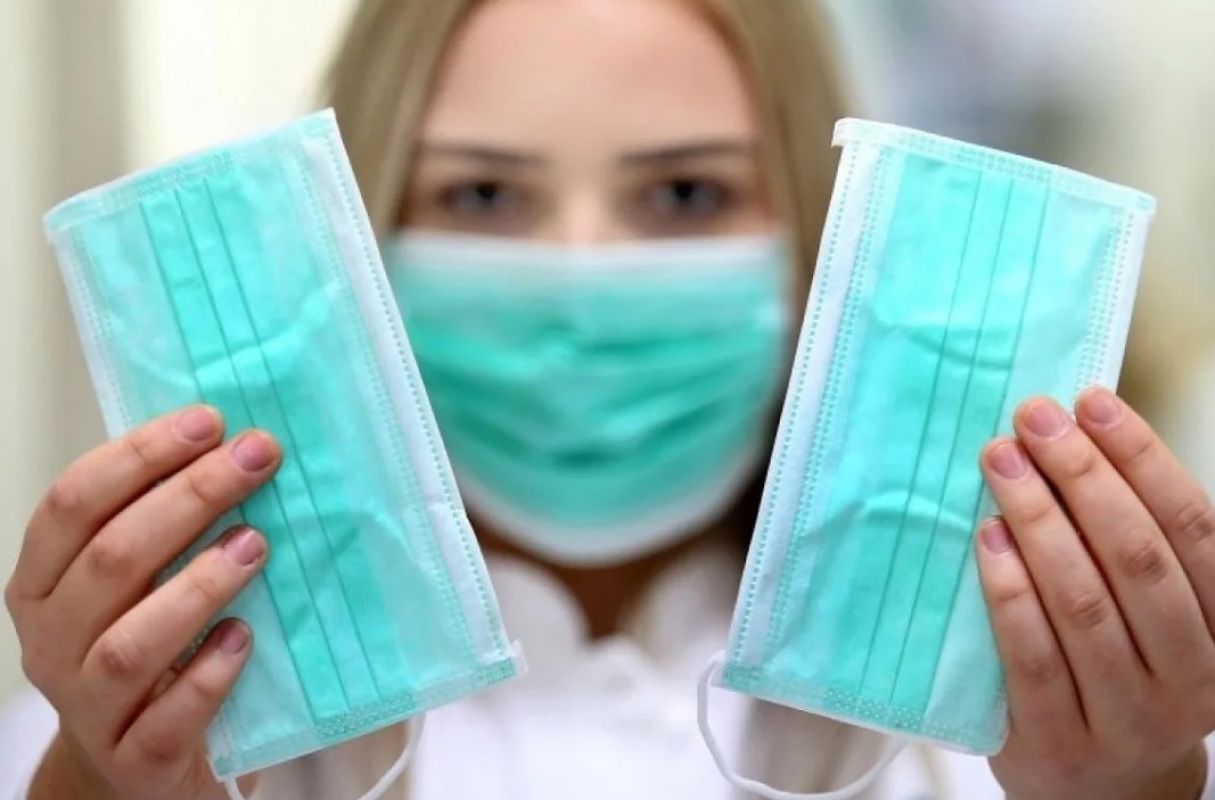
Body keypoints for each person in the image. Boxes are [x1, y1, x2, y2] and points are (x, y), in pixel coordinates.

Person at [4, 0, 1215, 798]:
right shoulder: (174, 719)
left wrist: (1141, 788)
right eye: (483, 196)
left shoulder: (1020, 719)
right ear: (355, 237)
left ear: (819, 236)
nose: (582, 275)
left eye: (686, 195)